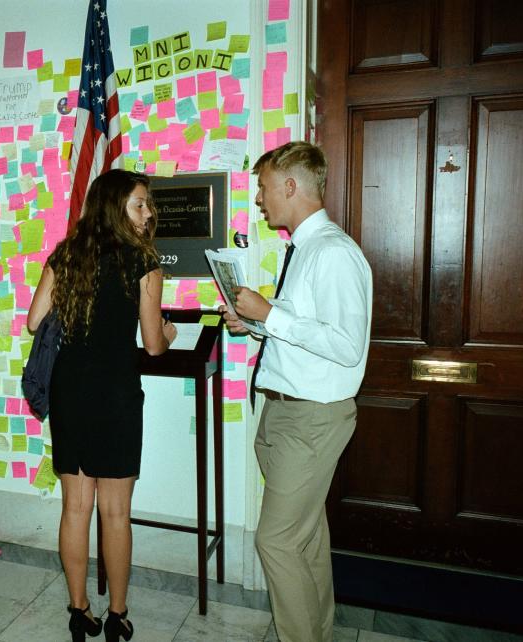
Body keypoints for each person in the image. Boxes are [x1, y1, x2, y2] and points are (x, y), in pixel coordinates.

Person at [221, 141, 372, 642]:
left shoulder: (332, 253)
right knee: (305, 540)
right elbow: (309, 333)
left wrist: (270, 314)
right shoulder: (305, 249)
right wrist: (256, 326)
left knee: (276, 541)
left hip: (311, 419)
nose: (260, 200)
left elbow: (347, 347)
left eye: (264, 188)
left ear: (290, 186)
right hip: (286, 414)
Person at [28, 169, 177, 642]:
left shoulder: (66, 254)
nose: (148, 213)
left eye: (148, 205)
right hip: (114, 396)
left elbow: (35, 321)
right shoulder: (143, 263)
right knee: (115, 513)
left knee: (75, 509)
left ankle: (79, 611)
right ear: (115, 206)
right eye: (139, 204)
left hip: (70, 394)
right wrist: (170, 332)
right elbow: (153, 345)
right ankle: (116, 616)